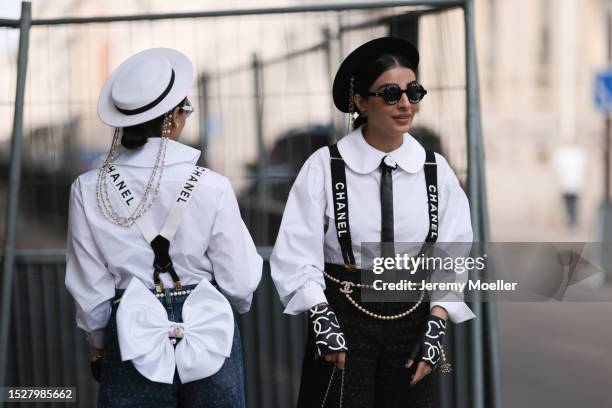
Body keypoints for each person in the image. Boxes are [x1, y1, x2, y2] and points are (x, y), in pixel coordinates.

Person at [270, 37, 475, 407]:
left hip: (414, 320)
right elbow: (296, 251)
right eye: (391, 93)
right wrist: (321, 318)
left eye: (413, 91)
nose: (405, 103)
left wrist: (438, 319)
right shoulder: (324, 167)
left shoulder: (435, 170)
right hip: (342, 318)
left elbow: (453, 252)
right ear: (361, 102)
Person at [65, 48, 262, 407]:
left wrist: (98, 343)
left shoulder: (88, 188)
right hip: (208, 329)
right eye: (186, 108)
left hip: (131, 333)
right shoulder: (212, 185)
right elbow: (242, 281)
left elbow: (90, 286)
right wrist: (225, 307)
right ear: (173, 116)